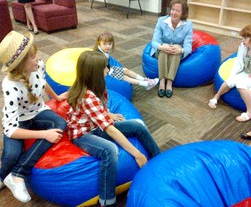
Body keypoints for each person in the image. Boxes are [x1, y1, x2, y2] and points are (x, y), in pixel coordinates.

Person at [66, 51, 161, 207]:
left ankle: (158, 159)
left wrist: (108, 114)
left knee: (137, 127)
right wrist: (136, 154)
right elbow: (110, 130)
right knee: (110, 150)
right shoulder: (87, 96)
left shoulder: (98, 86)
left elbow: (96, 110)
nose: (108, 70)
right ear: (95, 73)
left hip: (94, 124)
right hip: (82, 133)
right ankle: (107, 200)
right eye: (105, 68)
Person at [0, 31, 67, 202]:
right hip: (19, 122)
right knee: (11, 154)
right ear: (21, 65)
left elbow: (42, 82)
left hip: (38, 112)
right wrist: (44, 134)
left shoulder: (39, 65)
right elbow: (10, 129)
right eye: (32, 57)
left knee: (60, 123)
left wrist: (57, 97)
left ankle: (18, 174)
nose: (37, 58)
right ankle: (2, 176)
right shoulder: (10, 86)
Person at [208, 24, 251, 122]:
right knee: (230, 81)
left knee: (240, 83)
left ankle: (250, 112)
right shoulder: (243, 46)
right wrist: (233, 77)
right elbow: (238, 63)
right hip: (244, 72)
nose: (243, 40)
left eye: (246, 38)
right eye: (243, 37)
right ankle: (216, 97)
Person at [150, 0, 193, 98]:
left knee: (176, 48)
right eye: (172, 9)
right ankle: (162, 81)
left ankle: (169, 83)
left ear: (183, 13)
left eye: (178, 11)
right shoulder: (161, 21)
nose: (174, 13)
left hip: (176, 53)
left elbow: (188, 47)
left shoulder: (188, 25)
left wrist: (181, 50)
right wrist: (162, 47)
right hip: (161, 51)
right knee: (164, 48)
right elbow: (154, 42)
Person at [94, 31, 159, 90]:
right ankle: (146, 84)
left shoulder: (103, 51)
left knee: (125, 70)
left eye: (110, 44)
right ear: (99, 44)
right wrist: (111, 72)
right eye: (105, 44)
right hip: (104, 73)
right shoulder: (99, 55)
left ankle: (145, 80)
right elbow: (101, 70)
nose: (108, 46)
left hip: (109, 69)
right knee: (124, 77)